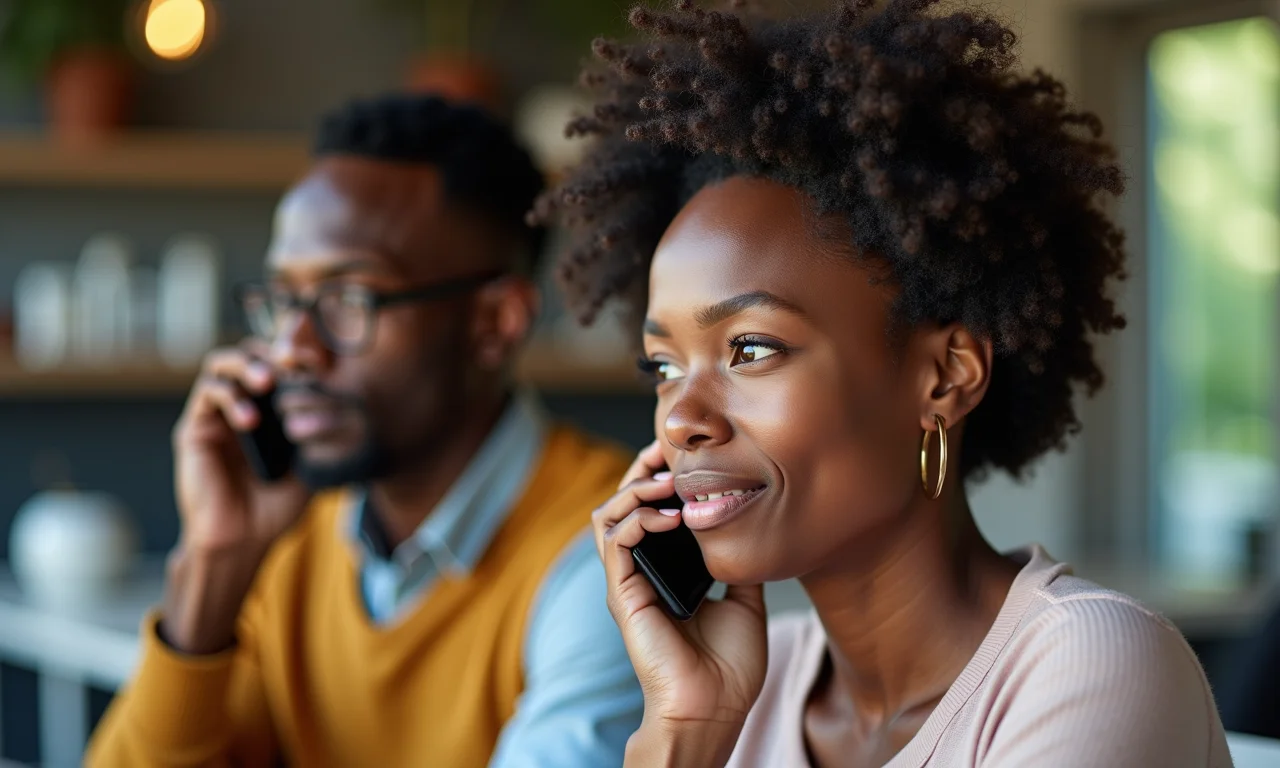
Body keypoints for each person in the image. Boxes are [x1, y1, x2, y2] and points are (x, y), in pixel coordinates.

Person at [531, 1, 1233, 766]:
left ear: (945, 376)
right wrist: (686, 728)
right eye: (664, 367)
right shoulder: (742, 691)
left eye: (752, 348)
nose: (679, 421)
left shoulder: (1091, 664)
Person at [86, 93, 643, 767]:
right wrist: (213, 564)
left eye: (347, 300)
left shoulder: (613, 552)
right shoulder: (288, 533)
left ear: (496, 322)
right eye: (284, 300)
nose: (294, 348)